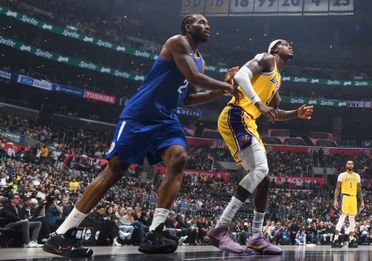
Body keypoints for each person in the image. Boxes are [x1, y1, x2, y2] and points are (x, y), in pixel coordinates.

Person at [43, 14, 235, 257]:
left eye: (208, 24)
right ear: (188, 27)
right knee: (115, 170)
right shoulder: (178, 42)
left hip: (166, 119)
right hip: (140, 115)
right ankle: (63, 233)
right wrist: (226, 85)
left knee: (179, 158)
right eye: (201, 22)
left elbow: (187, 97)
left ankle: (156, 231)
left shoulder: (201, 61)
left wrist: (220, 92)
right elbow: (193, 78)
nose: (207, 27)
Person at [205, 39, 313, 254]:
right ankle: (220, 228)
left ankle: (255, 237)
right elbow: (240, 75)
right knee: (261, 170)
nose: (290, 44)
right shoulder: (266, 59)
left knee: (264, 180)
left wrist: (295, 114)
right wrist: (257, 102)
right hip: (237, 114)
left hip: (247, 121)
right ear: (274, 49)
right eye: (284, 43)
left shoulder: (277, 79)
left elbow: (273, 113)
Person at [331, 160, 363, 248]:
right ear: (346, 165)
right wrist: (335, 200)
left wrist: (362, 201)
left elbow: (359, 190)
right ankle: (336, 239)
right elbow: (337, 188)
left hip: (354, 198)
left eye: (352, 163)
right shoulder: (342, 175)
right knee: (342, 217)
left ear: (353, 165)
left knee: (352, 219)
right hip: (345, 197)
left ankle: (351, 239)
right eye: (349, 163)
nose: (350, 165)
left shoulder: (357, 176)